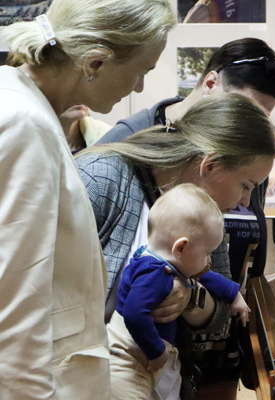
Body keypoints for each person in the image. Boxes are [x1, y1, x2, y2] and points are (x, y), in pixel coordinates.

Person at [95, 37, 275, 399]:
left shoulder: (205, 205)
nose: (246, 201)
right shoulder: (105, 176)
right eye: (245, 185)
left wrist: (189, 298)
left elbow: (219, 309)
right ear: (210, 165)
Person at [0, 0, 175, 398]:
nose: (139, 87)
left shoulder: (22, 105)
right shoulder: (26, 124)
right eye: (142, 71)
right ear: (95, 63)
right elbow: (13, 308)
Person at [108, 183, 250, 399]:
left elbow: (206, 275)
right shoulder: (154, 275)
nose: (209, 260)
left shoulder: (166, 260)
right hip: (130, 359)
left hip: (147, 357)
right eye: (207, 253)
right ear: (181, 248)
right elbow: (134, 315)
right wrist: (156, 351)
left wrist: (235, 296)